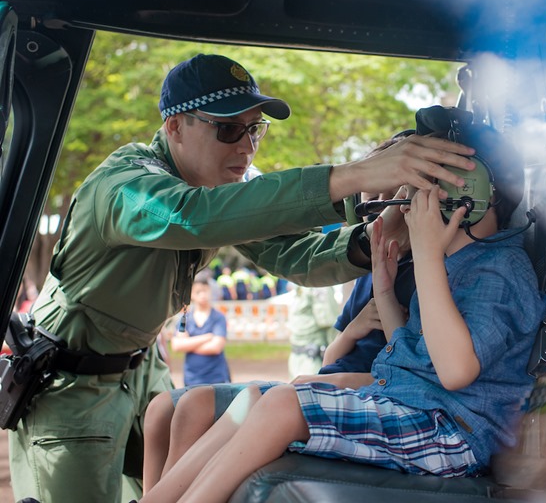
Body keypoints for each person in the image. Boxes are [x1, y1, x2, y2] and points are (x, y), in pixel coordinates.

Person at [8, 53, 476, 503]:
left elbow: (300, 255)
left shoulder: (225, 185)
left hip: (140, 372)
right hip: (72, 383)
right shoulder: (126, 185)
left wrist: (379, 240)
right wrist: (351, 176)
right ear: (174, 127)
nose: (247, 146)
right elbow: (194, 217)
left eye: (255, 130)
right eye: (228, 129)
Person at [141, 117, 546, 503]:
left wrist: (425, 256)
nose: (403, 210)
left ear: (470, 194)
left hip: (451, 432)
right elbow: (415, 354)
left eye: (415, 195)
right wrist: (386, 290)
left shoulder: (499, 270)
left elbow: (455, 372)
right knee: (252, 396)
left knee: (283, 405)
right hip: (417, 405)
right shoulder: (453, 264)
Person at [141, 135, 417, 493]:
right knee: (166, 407)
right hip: (325, 379)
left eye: (390, 195)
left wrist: (320, 382)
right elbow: (333, 355)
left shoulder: (415, 276)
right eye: (371, 195)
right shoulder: (369, 274)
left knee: (202, 406)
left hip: (346, 391)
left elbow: (411, 375)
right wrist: (353, 330)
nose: (379, 207)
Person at [170, 272, 231, 386]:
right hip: (191, 379)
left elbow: (216, 347)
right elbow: (177, 346)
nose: (202, 295)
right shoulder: (185, 319)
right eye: (198, 292)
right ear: (191, 294)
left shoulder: (218, 317)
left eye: (205, 290)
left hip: (216, 379)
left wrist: (189, 344)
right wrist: (207, 337)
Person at [287, 285, 342, 376]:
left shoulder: (301, 283)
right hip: (312, 361)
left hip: (301, 358)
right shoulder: (319, 285)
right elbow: (330, 323)